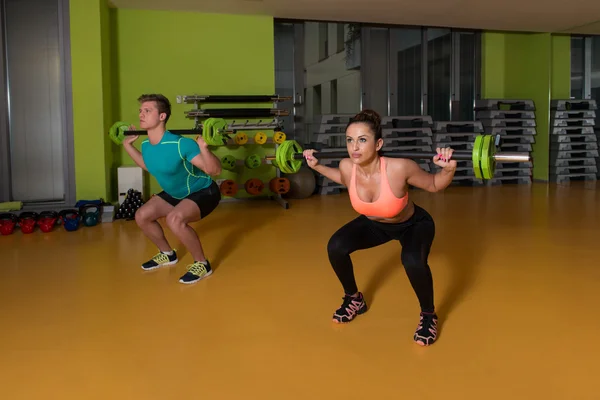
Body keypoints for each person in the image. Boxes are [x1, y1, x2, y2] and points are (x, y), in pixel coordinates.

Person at [302, 109, 457, 346]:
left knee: (413, 261)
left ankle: (428, 315)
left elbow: (435, 184)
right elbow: (343, 178)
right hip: (375, 224)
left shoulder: (399, 168)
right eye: (350, 140)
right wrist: (316, 166)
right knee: (336, 246)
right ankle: (354, 299)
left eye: (362, 140)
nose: (354, 146)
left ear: (378, 144)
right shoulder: (347, 166)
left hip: (411, 225)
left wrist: (447, 170)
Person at [122, 94, 222, 284]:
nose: (141, 114)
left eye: (147, 110)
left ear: (162, 116)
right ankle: (167, 254)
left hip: (202, 191)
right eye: (140, 111)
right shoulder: (146, 145)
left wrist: (204, 149)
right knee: (142, 215)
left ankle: (202, 264)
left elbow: (214, 170)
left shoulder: (180, 144)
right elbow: (148, 165)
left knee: (174, 219)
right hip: (175, 193)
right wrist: (128, 146)